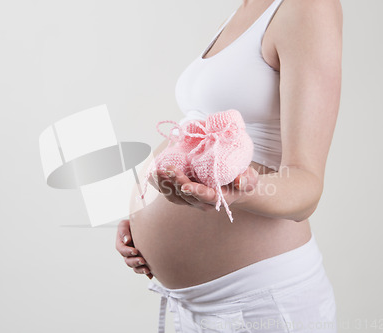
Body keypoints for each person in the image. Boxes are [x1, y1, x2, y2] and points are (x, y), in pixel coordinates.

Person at [116, 0, 343, 332]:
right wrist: (140, 220)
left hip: (259, 304)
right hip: (193, 306)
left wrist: (239, 193)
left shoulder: (308, 7)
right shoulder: (244, 9)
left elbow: (307, 185)